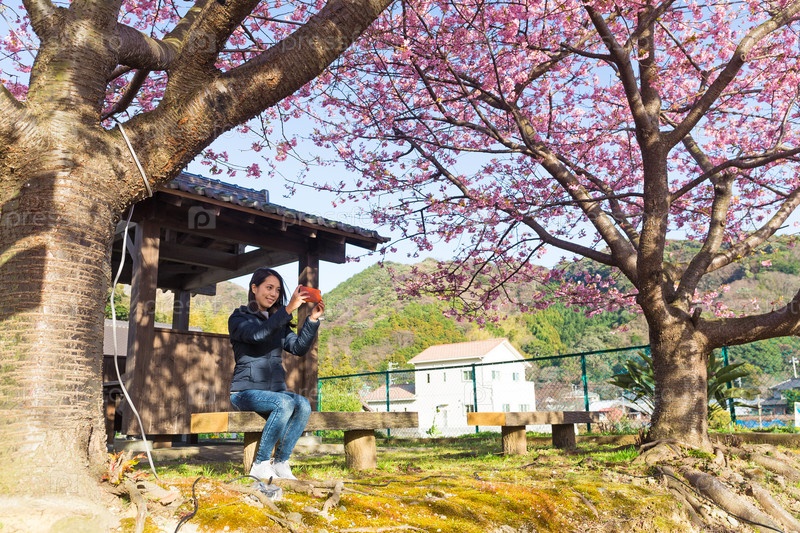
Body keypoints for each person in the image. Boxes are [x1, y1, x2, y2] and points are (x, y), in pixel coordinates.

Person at [228, 267, 325, 481]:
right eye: (269, 287)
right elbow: (257, 335)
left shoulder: (278, 322)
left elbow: (298, 348)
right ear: (254, 288)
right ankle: (260, 464)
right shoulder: (239, 317)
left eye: (277, 290)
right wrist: (288, 308)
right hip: (244, 392)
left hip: (275, 393)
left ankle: (280, 462)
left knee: (303, 404)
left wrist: (312, 320)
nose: (273, 294)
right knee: (284, 402)